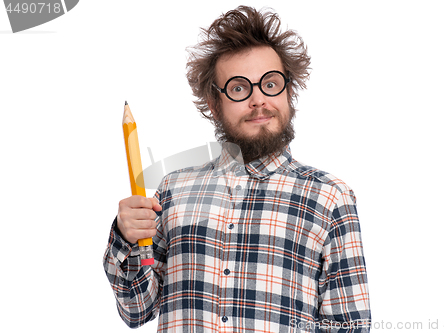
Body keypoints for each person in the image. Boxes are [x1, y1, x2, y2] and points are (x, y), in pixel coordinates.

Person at [103, 6, 371, 332]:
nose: (258, 99)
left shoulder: (330, 198)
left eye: (270, 83)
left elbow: (348, 327)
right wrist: (125, 239)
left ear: (288, 91)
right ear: (214, 105)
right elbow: (137, 311)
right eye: (239, 88)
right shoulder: (173, 191)